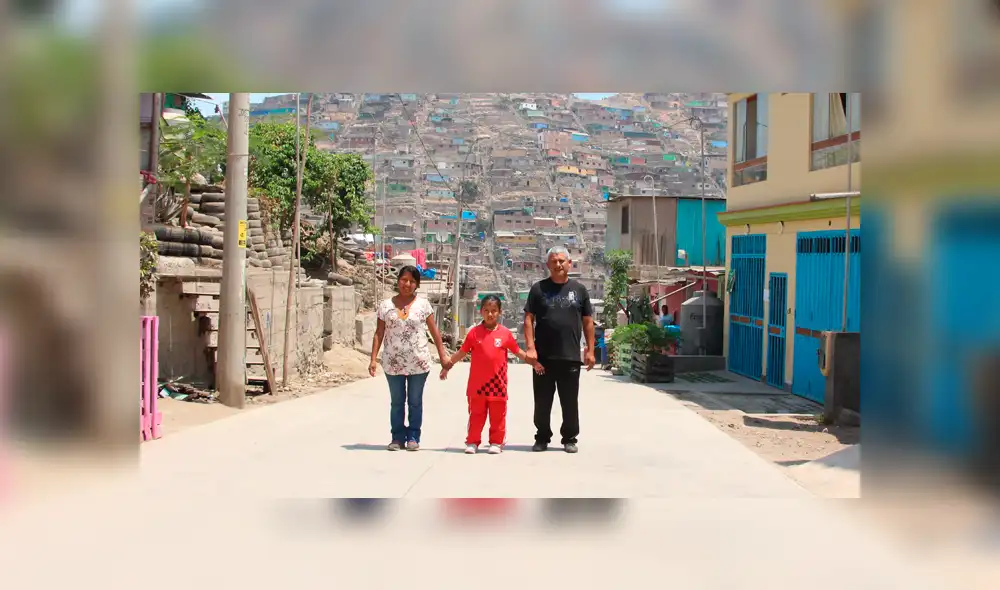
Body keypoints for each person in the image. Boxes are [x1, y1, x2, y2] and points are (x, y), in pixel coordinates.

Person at [440, 295, 540, 455]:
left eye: (494, 311)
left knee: (497, 416)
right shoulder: (474, 333)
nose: (490, 314)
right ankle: (472, 442)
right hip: (477, 387)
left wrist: (534, 363)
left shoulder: (506, 334)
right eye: (486, 310)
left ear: (500, 312)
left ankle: (496, 442)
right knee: (476, 415)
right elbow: (461, 352)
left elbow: (518, 352)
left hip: (497, 386)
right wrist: (447, 366)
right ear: (481, 312)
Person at [369, 266, 450, 451]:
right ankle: (397, 438)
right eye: (404, 280)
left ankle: (413, 436)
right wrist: (373, 359)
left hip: (418, 363)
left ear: (417, 285)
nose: (407, 284)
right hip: (392, 363)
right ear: (398, 281)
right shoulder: (385, 306)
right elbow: (379, 333)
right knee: (397, 402)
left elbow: (434, 331)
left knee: (415, 401)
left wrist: (442, 354)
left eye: (412, 281)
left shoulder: (423, 305)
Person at [524, 246, 595, 454]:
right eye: (554, 261)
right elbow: (528, 319)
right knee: (542, 401)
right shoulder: (538, 289)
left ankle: (570, 438)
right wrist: (530, 348)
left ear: (569, 264)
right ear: (548, 265)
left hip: (570, 357)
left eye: (562, 261)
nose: (558, 264)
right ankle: (542, 437)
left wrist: (590, 351)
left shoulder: (579, 290)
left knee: (570, 401)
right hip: (543, 358)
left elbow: (588, 322)